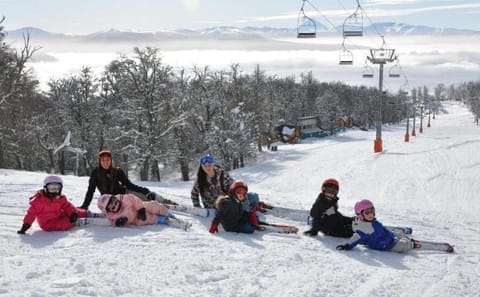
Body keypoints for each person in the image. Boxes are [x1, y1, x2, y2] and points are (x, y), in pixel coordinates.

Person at [79, 150, 176, 210]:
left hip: (125, 194)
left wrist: (145, 191)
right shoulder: (95, 173)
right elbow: (90, 191)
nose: (105, 162)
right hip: (110, 201)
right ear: (100, 161)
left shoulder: (117, 171)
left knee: (147, 198)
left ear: (111, 160)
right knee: (140, 207)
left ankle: (166, 202)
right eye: (103, 160)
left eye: (107, 160)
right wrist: (85, 205)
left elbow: (129, 185)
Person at [336, 199, 419, 253]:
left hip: (386, 234)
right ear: (360, 215)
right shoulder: (363, 228)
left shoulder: (370, 221)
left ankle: (403, 233)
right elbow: (356, 238)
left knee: (397, 232)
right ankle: (411, 243)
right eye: (367, 213)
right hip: (384, 244)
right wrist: (347, 245)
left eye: (372, 211)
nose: (371, 214)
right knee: (403, 246)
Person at [17, 175, 89, 234]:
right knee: (65, 223)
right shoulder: (38, 201)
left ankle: (87, 213)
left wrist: (72, 213)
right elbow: (30, 214)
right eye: (51, 188)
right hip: (48, 224)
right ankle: (76, 222)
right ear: (45, 188)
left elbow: (67, 206)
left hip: (59, 216)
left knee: (74, 211)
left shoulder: (60, 198)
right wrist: (25, 226)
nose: (54, 191)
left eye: (57, 188)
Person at [97, 193, 187, 228]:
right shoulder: (112, 215)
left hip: (141, 207)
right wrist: (118, 222)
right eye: (112, 207)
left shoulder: (125, 198)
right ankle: (163, 220)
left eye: (114, 202)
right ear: (109, 211)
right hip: (135, 219)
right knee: (144, 220)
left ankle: (168, 214)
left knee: (153, 205)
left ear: (115, 198)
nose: (115, 205)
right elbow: (112, 222)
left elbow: (135, 199)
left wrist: (141, 209)